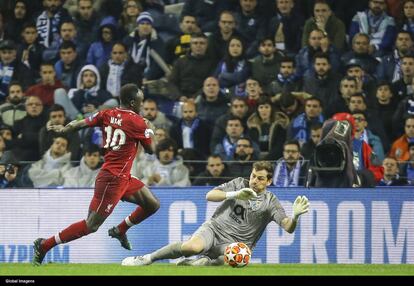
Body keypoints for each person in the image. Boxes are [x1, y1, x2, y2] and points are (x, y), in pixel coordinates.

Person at [32, 84, 160, 266]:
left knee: (152, 204)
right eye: (140, 101)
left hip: (123, 177)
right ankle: (45, 245)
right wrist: (150, 130)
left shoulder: (106, 114)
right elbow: (150, 150)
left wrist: (65, 129)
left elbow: (81, 123)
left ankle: (120, 230)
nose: (141, 104)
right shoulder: (138, 122)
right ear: (133, 102)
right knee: (91, 225)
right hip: (112, 180)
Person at [121, 161, 310, 266]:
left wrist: (294, 217)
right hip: (215, 229)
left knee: (233, 259)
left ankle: (199, 264)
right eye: (253, 176)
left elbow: (288, 227)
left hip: (235, 245)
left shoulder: (271, 202)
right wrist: (235, 194)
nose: (254, 181)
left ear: (268, 181)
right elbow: (210, 195)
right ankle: (147, 259)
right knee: (191, 248)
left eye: (260, 179)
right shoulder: (239, 184)